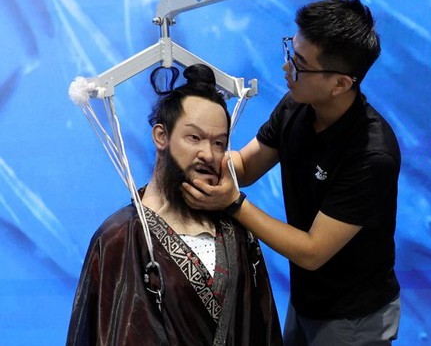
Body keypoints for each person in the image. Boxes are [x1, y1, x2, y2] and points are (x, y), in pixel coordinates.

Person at [183, 0, 402, 345]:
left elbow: (312, 251)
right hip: (306, 301)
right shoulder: (297, 106)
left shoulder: (371, 155)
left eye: (299, 63)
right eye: (290, 51)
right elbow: (247, 165)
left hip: (353, 318)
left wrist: (234, 203)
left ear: (341, 83)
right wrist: (200, 160)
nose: (286, 68)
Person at [67, 64, 283, 345]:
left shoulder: (238, 231)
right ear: (161, 136)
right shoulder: (117, 237)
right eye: (194, 138)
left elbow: (260, 328)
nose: (208, 154)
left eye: (219, 143)